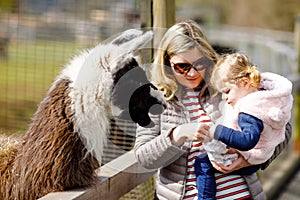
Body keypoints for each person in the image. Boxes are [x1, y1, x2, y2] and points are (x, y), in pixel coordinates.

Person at [134, 19, 292, 200]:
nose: (192, 73)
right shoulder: (154, 99)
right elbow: (144, 158)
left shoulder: (226, 87)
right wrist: (177, 135)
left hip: (241, 194)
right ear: (167, 62)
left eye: (199, 64)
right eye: (182, 67)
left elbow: (283, 129)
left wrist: (249, 161)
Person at [194, 53, 293, 200]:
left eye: (227, 91)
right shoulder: (265, 98)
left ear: (245, 83)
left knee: (202, 163)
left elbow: (247, 140)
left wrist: (217, 131)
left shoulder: (249, 111)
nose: (224, 98)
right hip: (260, 155)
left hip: (250, 158)